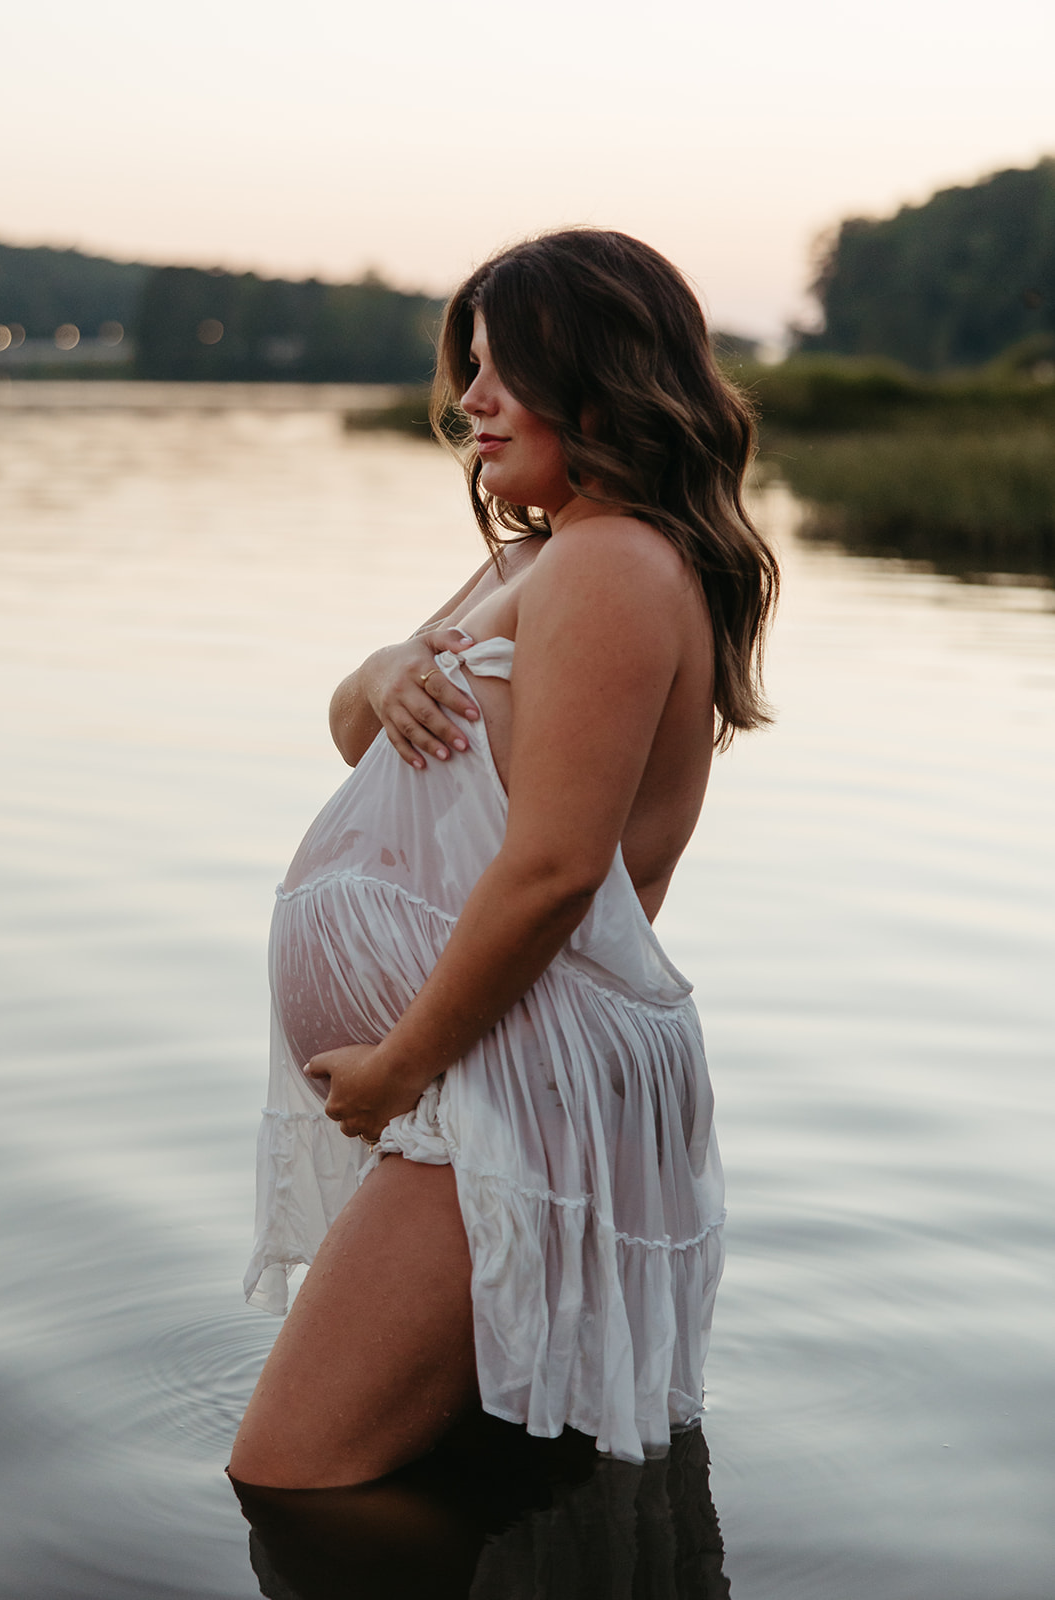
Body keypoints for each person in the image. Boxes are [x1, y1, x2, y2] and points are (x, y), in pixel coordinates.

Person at [229, 228, 778, 1491]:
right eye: (466, 365)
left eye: (503, 366)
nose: (468, 399)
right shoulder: (532, 557)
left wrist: (391, 1070)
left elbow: (552, 872)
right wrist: (382, 666)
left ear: (601, 375)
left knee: (293, 1476)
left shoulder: (610, 562)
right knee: (456, 1470)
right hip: (472, 1070)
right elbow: (354, 733)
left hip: (502, 1071)